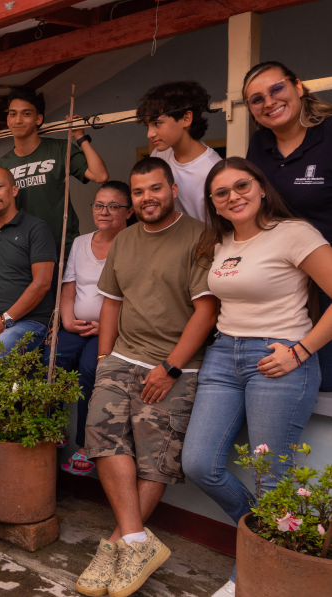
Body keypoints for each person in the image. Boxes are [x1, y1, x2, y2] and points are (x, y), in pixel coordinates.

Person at [182, 158, 332, 597]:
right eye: (221, 193)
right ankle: (266, 542)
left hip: (278, 356)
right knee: (198, 463)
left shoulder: (294, 233)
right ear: (213, 204)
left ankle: (252, 574)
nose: (234, 196)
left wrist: (300, 350)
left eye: (241, 185)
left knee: (272, 476)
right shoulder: (221, 242)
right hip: (224, 356)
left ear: (261, 187)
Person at [76, 157, 217, 597]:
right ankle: (136, 540)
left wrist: (171, 366)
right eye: (138, 192)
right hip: (122, 356)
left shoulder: (199, 237)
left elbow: (206, 309)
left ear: (173, 189)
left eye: (155, 189)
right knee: (101, 436)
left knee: (155, 454)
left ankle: (116, 545)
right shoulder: (126, 239)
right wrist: (103, 360)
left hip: (178, 363)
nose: (146, 198)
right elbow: (112, 303)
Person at [243, 61, 332, 393]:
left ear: (297, 87)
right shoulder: (259, 145)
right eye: (256, 99)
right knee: (281, 375)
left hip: (327, 280)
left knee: (325, 380)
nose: (269, 102)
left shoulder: (329, 135)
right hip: (283, 284)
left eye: (276, 89)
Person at [51, 181, 133, 476]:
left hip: (112, 330)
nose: (105, 212)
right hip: (75, 325)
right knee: (52, 357)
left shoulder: (135, 243)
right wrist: (67, 320)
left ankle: (85, 446)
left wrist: (106, 327)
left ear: (129, 211)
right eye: (99, 205)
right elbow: (70, 286)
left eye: (114, 206)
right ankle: (52, 426)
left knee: (90, 369)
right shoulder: (81, 242)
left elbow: (135, 298)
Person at [0, 167, 57, 382]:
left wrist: (6, 319)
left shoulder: (36, 228)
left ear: (14, 190)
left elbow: (42, 283)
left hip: (31, 323)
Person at [0, 88, 109, 260]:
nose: (18, 120)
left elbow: (100, 176)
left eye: (26, 114)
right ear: (8, 119)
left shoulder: (61, 149)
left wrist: (79, 137)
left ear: (38, 119)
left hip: (62, 247)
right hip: (23, 250)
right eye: (13, 114)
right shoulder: (3, 165)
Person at [136, 81, 222, 220]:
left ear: (186, 118)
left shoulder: (212, 169)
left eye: (157, 123)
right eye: (148, 126)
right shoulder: (161, 154)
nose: (150, 134)